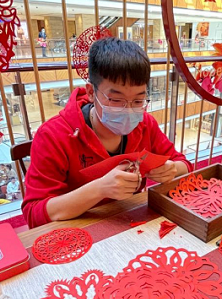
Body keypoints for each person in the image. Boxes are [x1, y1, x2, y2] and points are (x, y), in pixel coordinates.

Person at [22, 37, 191, 228]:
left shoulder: (145, 124)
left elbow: (184, 163)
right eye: (116, 100)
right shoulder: (53, 135)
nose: (128, 110)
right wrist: (100, 189)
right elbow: (34, 214)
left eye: (137, 101)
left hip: (130, 224)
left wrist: (171, 169)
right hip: (75, 233)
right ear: (91, 93)